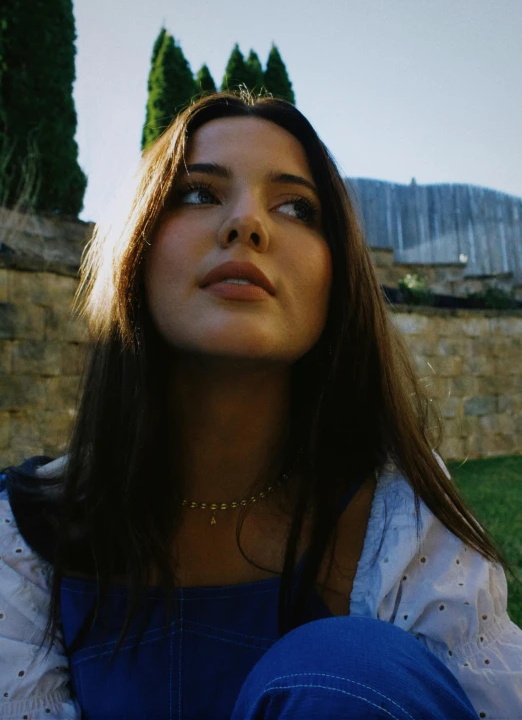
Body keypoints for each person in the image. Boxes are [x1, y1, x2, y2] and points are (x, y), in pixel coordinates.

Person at [0, 91, 521, 720]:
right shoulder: (22, 540)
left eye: (297, 207)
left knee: (346, 667)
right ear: (135, 249)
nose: (248, 225)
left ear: (338, 278)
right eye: (198, 194)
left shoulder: (400, 516)